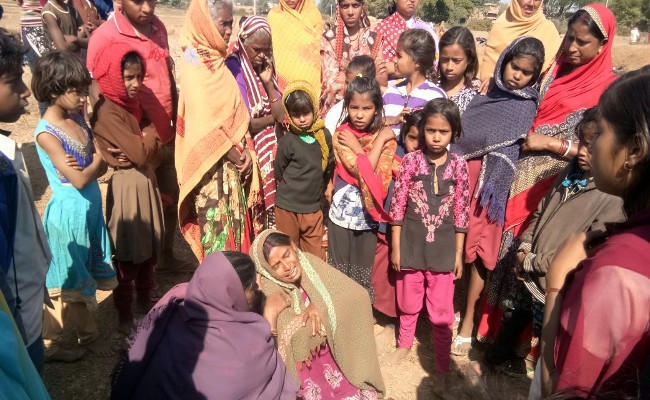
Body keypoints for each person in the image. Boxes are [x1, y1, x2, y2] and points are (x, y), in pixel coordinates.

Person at [476, 4, 617, 352]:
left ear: (602, 45)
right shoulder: (553, 71)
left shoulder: (609, 92)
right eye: (569, 37)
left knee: (540, 254)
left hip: (558, 187)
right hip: (519, 174)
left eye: (582, 42)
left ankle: (526, 343)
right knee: (509, 249)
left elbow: (601, 152)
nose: (571, 47)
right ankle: (491, 330)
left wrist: (553, 144)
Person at [537, 71, 650, 399]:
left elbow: (561, 388)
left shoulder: (615, 268)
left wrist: (557, 282)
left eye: (599, 132)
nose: (589, 147)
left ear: (634, 150)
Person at [503, 108, 625, 377]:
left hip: (555, 282)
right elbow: (540, 211)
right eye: (582, 143)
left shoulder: (613, 198)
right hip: (531, 269)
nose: (582, 152)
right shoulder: (570, 173)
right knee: (513, 316)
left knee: (550, 342)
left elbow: (585, 249)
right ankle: (501, 361)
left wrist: (534, 262)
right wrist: (525, 247)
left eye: (592, 147)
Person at [451, 37, 544, 357]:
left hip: (491, 190)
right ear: (504, 61)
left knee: (478, 253)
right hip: (464, 182)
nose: (517, 75)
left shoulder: (526, 104)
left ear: (535, 76)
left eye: (526, 73)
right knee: (457, 244)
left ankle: (468, 320)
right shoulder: (485, 95)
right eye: (514, 67)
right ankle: (452, 305)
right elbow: (464, 134)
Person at [111, 251, 298, 399]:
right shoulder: (243, 353)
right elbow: (266, 373)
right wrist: (270, 318)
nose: (259, 289)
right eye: (253, 287)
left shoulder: (173, 309)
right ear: (233, 292)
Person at [31, 51, 116, 362]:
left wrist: (91, 166)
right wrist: (97, 160)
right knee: (69, 278)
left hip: (87, 211)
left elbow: (90, 171)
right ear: (54, 91)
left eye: (83, 89)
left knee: (75, 272)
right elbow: (81, 179)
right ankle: (73, 339)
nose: (83, 97)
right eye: (76, 91)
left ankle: (58, 339)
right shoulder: (46, 133)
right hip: (68, 216)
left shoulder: (76, 119)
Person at [87, 0, 178, 267]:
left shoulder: (158, 27)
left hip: (165, 135)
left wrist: (172, 121)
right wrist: (103, 140)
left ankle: (165, 257)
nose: (147, 8)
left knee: (169, 199)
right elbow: (94, 90)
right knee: (140, 209)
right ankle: (138, 269)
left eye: (152, 0)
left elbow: (167, 75)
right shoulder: (105, 35)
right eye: (138, 1)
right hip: (136, 142)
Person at [250, 230, 386, 398]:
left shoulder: (309, 262)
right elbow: (293, 332)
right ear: (267, 271)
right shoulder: (270, 289)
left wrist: (321, 304)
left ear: (293, 246)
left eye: (287, 255)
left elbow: (357, 295)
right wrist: (317, 314)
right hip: (308, 370)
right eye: (276, 266)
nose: (287, 266)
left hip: (337, 357)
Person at [388, 99, 469, 372]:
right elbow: (398, 205)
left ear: (454, 132)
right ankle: (404, 344)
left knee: (442, 309)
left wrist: (458, 254)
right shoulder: (411, 161)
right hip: (411, 243)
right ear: (422, 129)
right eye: (431, 130)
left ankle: (443, 362)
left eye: (443, 132)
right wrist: (396, 247)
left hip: (444, 248)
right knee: (408, 300)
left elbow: (461, 212)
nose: (436, 137)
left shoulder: (459, 166)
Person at [176, 0, 259, 260]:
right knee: (218, 239)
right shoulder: (192, 60)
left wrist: (245, 152)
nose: (228, 31)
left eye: (231, 24)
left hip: (233, 166)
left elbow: (232, 112)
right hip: (211, 170)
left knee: (236, 233)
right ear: (205, 23)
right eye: (223, 24)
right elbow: (203, 118)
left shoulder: (217, 60)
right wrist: (232, 152)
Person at [91, 47, 163, 334]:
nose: (135, 84)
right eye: (128, 77)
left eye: (139, 77)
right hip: (127, 187)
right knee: (128, 253)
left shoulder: (133, 105)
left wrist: (148, 135)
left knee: (148, 248)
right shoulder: (107, 111)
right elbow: (141, 152)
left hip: (144, 181)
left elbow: (151, 140)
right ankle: (123, 313)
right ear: (114, 76)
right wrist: (146, 139)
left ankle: (144, 301)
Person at [0, 28, 51, 375]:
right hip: (15, 313)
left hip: (27, 296)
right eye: (13, 81)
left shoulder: (7, 151)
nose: (24, 90)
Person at [328, 76, 396, 298]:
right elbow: (359, 170)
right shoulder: (343, 135)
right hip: (341, 217)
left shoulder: (386, 137)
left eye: (366, 108)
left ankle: (360, 314)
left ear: (376, 109)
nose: (359, 114)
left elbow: (380, 177)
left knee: (362, 275)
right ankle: (338, 314)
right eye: (354, 107)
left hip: (369, 217)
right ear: (346, 106)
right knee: (338, 274)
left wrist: (373, 144)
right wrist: (368, 145)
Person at [226, 16, 284, 231]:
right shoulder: (234, 67)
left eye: (267, 50)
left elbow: (281, 114)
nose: (262, 55)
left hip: (269, 146)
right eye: (257, 50)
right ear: (243, 44)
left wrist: (268, 82)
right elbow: (246, 123)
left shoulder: (267, 68)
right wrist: (271, 120)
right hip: (247, 145)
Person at [274, 81, 334, 260]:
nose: (302, 119)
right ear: (289, 114)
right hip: (287, 207)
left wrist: (324, 187)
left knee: (315, 258)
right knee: (289, 253)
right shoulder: (288, 141)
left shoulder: (324, 136)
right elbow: (279, 171)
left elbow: (328, 165)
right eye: (296, 114)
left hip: (312, 208)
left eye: (306, 113)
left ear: (314, 109)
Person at [320, 0, 386, 116]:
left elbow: (381, 80)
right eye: (345, 6)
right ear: (339, 8)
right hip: (337, 110)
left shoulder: (374, 39)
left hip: (368, 109)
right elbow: (331, 83)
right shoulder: (329, 39)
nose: (350, 12)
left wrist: (346, 74)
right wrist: (366, 77)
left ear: (362, 7)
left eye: (355, 6)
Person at [383, 29, 446, 137]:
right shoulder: (390, 93)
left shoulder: (435, 97)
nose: (394, 60)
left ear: (417, 61)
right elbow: (375, 125)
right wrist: (392, 120)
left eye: (399, 56)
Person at [478, 0, 560, 82]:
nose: (531, 4)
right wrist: (493, 81)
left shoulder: (549, 31)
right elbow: (488, 67)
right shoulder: (500, 26)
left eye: (536, 0)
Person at [268, 0, 323, 97]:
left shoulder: (314, 16)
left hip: (311, 85)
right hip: (280, 88)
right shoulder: (273, 17)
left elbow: (320, 51)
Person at [375, 0, 438, 79]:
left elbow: (435, 62)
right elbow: (377, 68)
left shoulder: (426, 28)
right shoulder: (382, 29)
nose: (412, 1)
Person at [324, 54, 376, 135]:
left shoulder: (381, 106)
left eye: (354, 83)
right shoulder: (335, 113)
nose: (348, 88)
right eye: (347, 82)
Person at [437, 26, 480, 114]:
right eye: (444, 60)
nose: (449, 67)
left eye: (456, 61)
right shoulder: (431, 86)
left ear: (469, 59)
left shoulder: (477, 92)